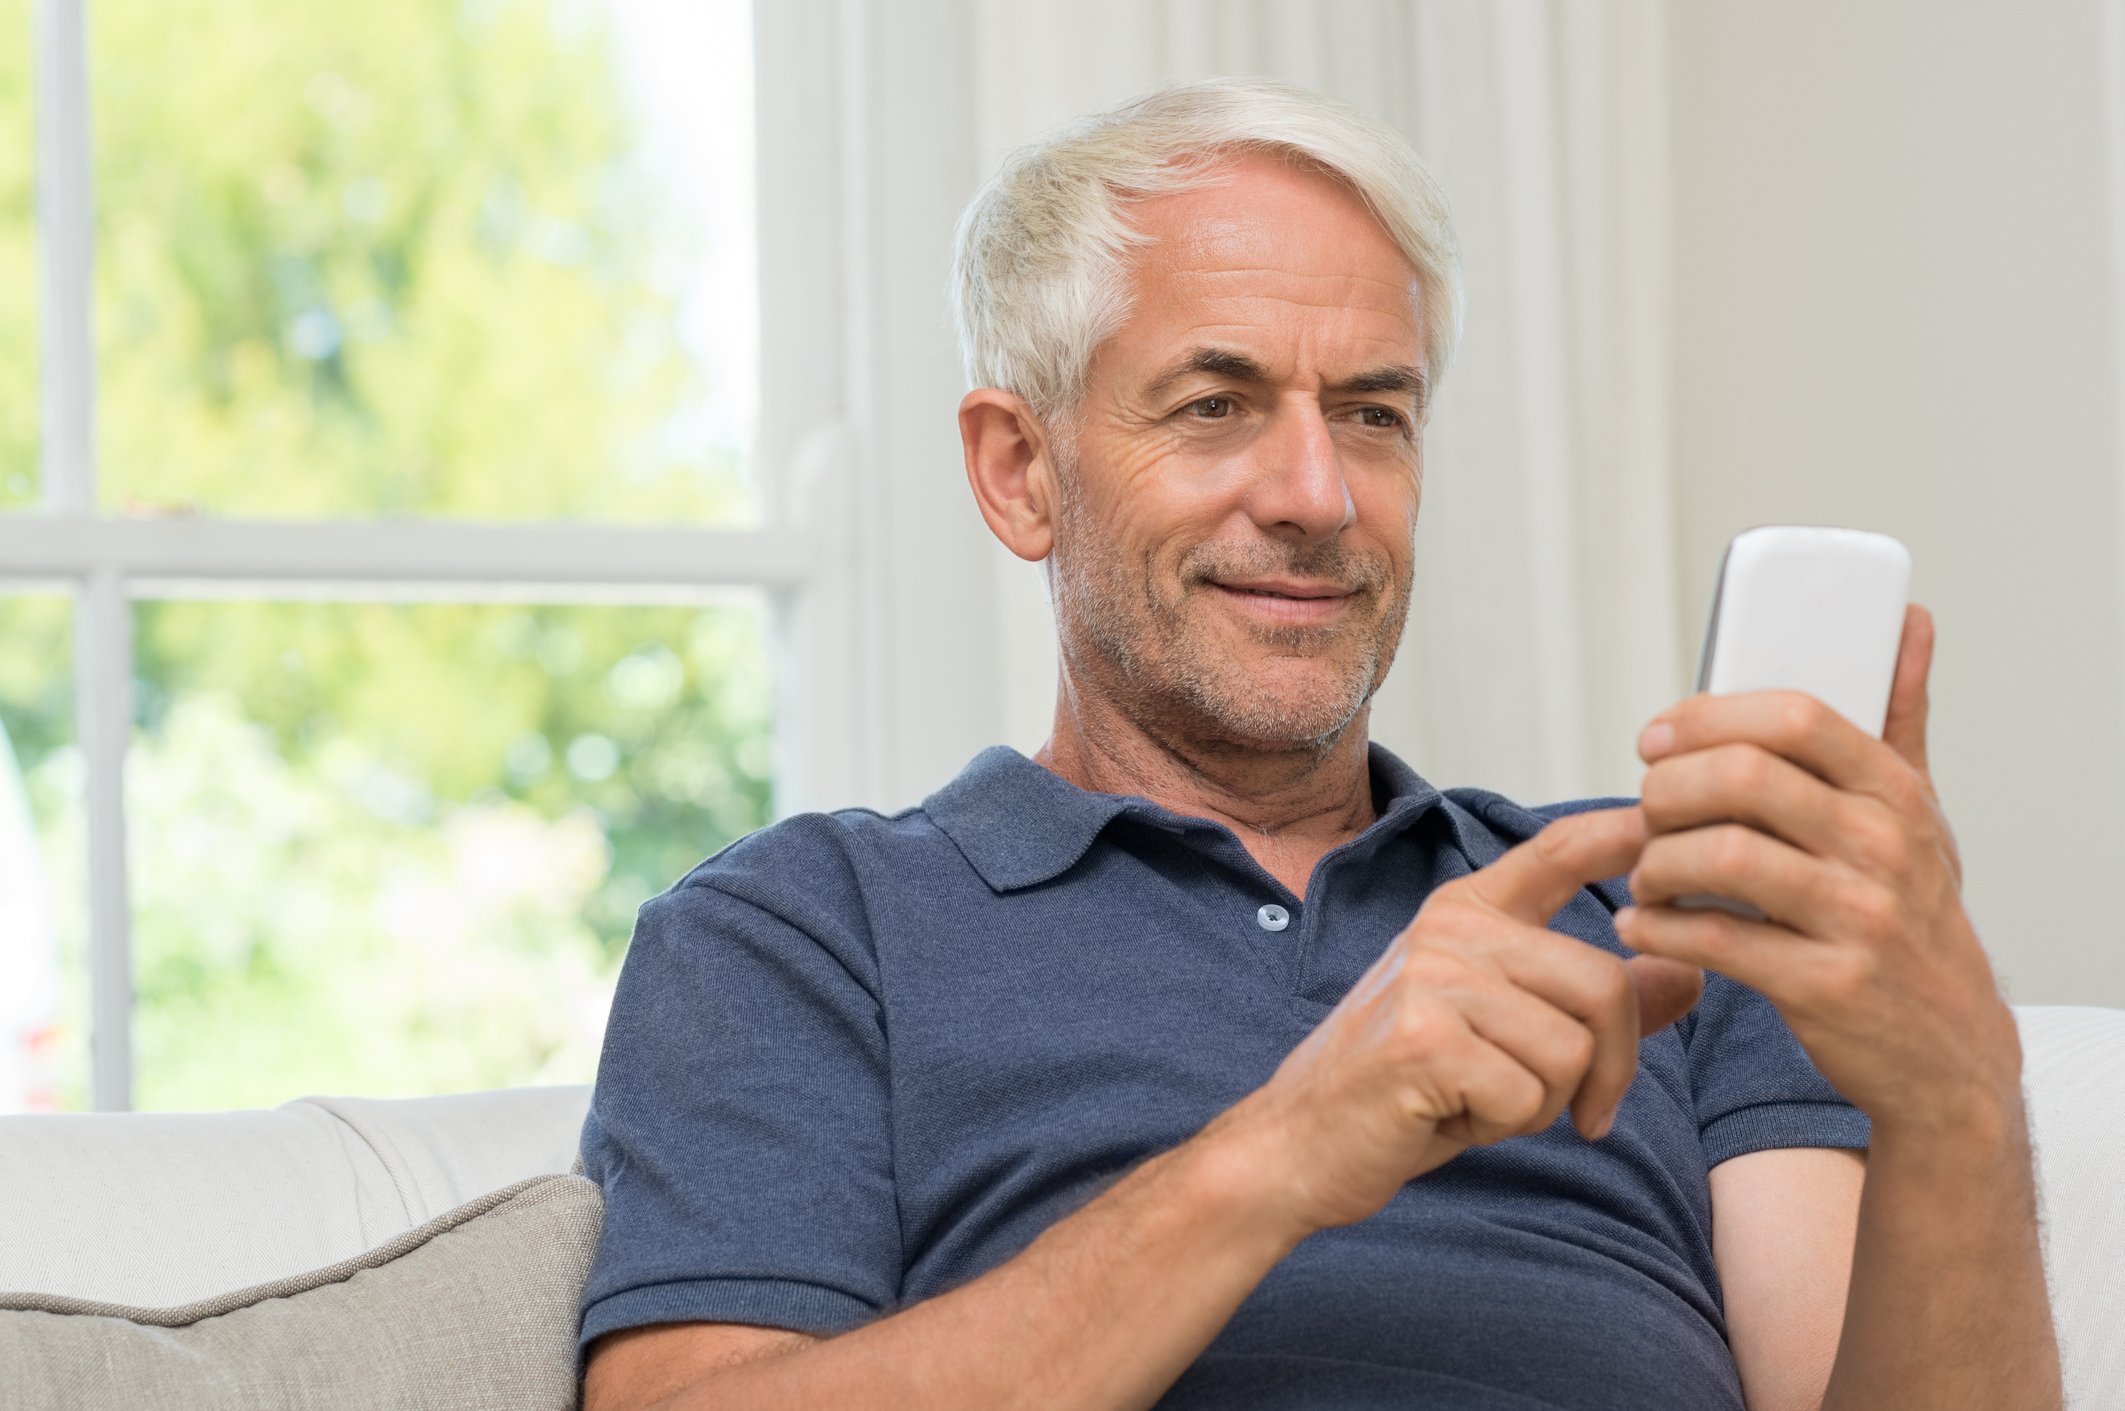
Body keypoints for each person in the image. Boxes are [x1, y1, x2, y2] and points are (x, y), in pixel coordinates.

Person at [576, 78, 2059, 1411]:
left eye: (1371, 415)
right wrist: (1284, 1151)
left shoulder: (1667, 908)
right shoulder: (798, 934)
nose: (1315, 493)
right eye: (1214, 404)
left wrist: (1957, 1091)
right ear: (1018, 471)